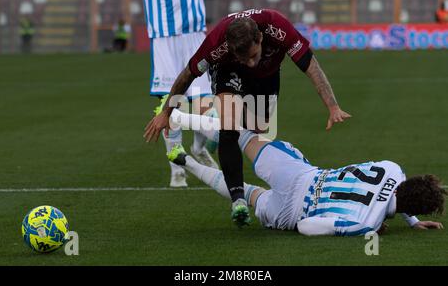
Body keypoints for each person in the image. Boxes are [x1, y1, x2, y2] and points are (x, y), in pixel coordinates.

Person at [144, 8, 351, 226]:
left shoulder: (277, 27)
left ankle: (193, 119)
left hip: (267, 74)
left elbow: (310, 65)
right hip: (228, 71)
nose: (250, 62)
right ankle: (238, 201)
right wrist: (166, 111)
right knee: (229, 128)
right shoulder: (216, 44)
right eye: (244, 58)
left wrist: (333, 106)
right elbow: (187, 74)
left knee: (256, 131)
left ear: (260, 38)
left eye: (253, 55)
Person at [165, 109, 445, 234]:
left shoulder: (392, 169)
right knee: (251, 195)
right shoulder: (365, 224)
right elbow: (305, 227)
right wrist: (392, 224)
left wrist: (411, 219)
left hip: (300, 174)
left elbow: (397, 190)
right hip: (292, 212)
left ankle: (178, 117)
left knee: (242, 136)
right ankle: (187, 162)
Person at [139, 0, 218, 188]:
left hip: (193, 33)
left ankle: (199, 148)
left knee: (207, 108)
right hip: (163, 35)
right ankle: (177, 169)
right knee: (170, 105)